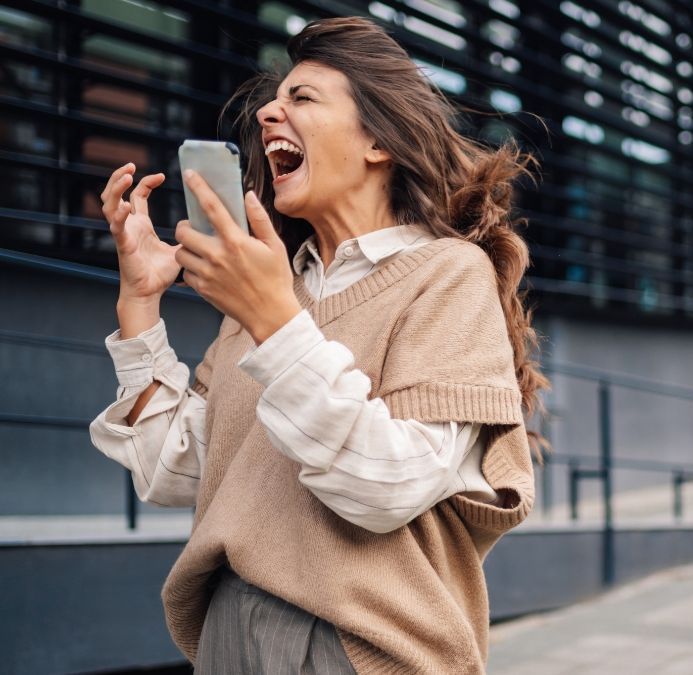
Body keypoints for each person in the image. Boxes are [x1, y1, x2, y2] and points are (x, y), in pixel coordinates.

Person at [88, 17, 547, 674]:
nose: (271, 111)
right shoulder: (272, 287)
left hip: (357, 646)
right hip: (226, 633)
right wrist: (139, 303)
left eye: (303, 98)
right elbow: (178, 470)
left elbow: (387, 485)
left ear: (378, 141)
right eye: (276, 100)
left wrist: (276, 323)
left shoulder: (447, 274)